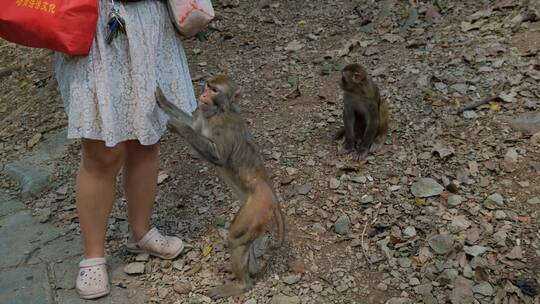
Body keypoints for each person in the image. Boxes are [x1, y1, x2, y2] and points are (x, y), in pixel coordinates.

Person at [55, 0, 197, 299]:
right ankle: (93, 256)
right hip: (92, 22)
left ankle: (141, 231)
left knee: (146, 141)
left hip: (147, 20)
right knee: (101, 152)